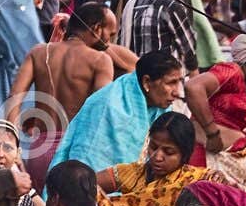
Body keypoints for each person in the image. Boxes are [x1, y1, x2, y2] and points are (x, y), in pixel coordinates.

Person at [6, 3, 119, 183]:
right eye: (110, 34)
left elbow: (14, 97)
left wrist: (11, 145)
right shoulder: (100, 60)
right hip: (74, 153)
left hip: (39, 151)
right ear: (97, 28)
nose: (109, 42)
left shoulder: (38, 52)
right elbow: (100, 111)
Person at [52, 48, 184, 175]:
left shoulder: (162, 109)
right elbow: (87, 164)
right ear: (147, 82)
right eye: (171, 83)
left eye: (179, 82)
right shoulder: (109, 107)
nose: (177, 92)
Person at [93, 113, 216, 206]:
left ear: (184, 154)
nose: (157, 157)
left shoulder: (197, 180)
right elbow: (84, 182)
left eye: (168, 152)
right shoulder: (134, 173)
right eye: (153, 147)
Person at [186, 40, 246, 191]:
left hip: (232, 165)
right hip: (208, 155)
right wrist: (213, 134)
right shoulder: (233, 72)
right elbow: (193, 87)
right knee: (203, 201)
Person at [118, 0, 196, 64]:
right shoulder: (172, 6)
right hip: (167, 73)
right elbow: (189, 52)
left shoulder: (132, 1)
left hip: (136, 72)